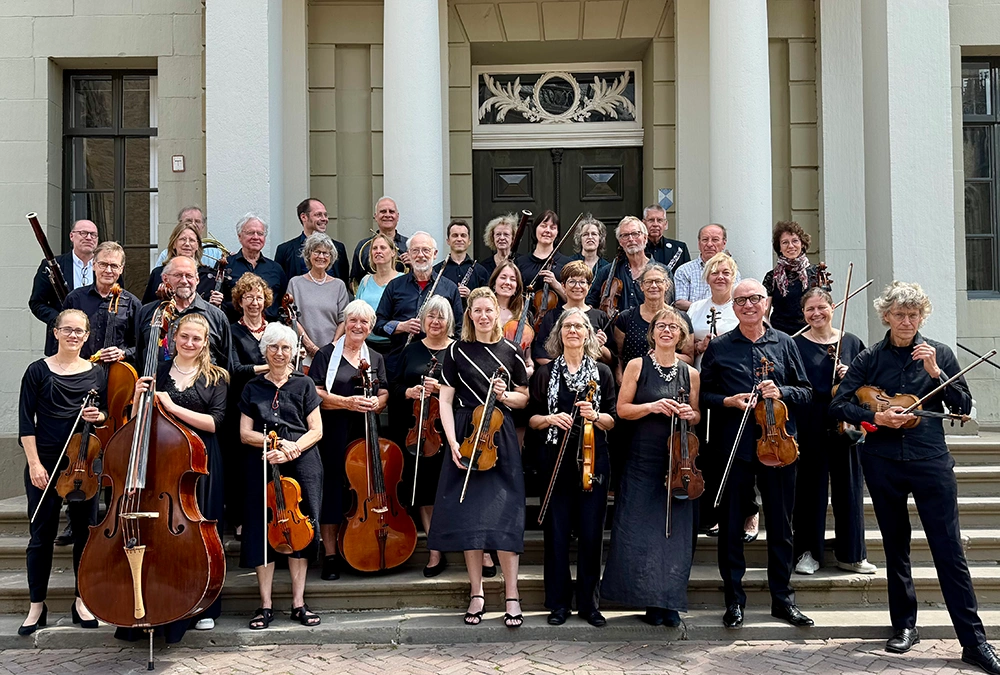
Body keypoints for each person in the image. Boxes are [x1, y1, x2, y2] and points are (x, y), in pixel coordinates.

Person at [831, 282, 1000, 673]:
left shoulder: (940, 354)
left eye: (913, 315)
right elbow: (838, 405)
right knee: (896, 547)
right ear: (886, 316)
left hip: (931, 462)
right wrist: (876, 416)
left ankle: (973, 642)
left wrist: (936, 373)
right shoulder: (869, 358)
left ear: (922, 316)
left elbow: (962, 407)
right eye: (899, 315)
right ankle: (905, 626)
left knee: (949, 551)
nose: (906, 322)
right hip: (883, 462)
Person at [700, 278, 814, 630]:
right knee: (731, 526)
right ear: (733, 308)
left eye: (755, 299)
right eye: (741, 300)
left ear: (766, 303)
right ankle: (734, 600)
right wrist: (729, 401)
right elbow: (703, 396)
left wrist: (781, 392)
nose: (748, 305)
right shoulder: (719, 347)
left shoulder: (785, 343)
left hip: (778, 447)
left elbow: (806, 391)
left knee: (780, 525)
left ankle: (783, 599)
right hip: (734, 448)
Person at [117, 313, 229, 641]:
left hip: (199, 463)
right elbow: (137, 422)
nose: (190, 343)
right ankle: (159, 603)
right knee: (162, 537)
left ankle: (204, 605)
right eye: (184, 337)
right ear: (173, 338)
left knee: (201, 535)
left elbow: (216, 422)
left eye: (196, 338)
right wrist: (138, 397)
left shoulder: (216, 376)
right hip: (162, 463)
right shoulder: (157, 373)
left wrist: (171, 405)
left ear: (205, 343)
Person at [429, 288, 530, 627]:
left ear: (496, 313)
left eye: (489, 310)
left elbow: (524, 397)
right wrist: (452, 441)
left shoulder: (511, 351)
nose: (484, 316)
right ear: (469, 314)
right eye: (478, 310)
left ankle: (512, 594)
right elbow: (445, 400)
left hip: (499, 437)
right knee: (469, 519)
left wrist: (507, 395)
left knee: (505, 517)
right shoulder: (456, 350)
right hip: (466, 433)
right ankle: (477, 592)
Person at [602, 306, 699, 627]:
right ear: (652, 332)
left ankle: (669, 601)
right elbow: (622, 410)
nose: (667, 330)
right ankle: (647, 599)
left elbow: (697, 414)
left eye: (673, 327)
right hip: (643, 457)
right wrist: (653, 406)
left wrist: (690, 414)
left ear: (681, 335)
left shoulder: (691, 373)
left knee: (674, 532)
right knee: (640, 528)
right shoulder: (637, 365)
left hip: (679, 460)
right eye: (661, 326)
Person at [18, 308, 106, 635]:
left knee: (84, 534)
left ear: (87, 336)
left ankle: (81, 601)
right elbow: (26, 423)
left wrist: (99, 416)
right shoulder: (37, 371)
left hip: (84, 465)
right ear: (55, 332)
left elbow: (106, 414)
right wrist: (34, 464)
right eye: (66, 329)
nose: (73, 335)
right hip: (45, 462)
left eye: (79, 331)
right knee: (41, 536)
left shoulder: (97, 373)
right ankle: (36, 606)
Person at [528, 308, 617, 627]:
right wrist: (550, 419)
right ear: (559, 333)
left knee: (592, 535)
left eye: (579, 326)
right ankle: (558, 603)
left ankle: (589, 605)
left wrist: (595, 416)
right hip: (555, 460)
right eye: (567, 326)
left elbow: (612, 419)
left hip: (593, 461)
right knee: (556, 534)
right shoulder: (544, 373)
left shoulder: (602, 373)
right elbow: (532, 418)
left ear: (588, 334)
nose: (573, 331)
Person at [239, 322, 324, 630]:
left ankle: (299, 603)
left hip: (302, 461)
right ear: (265, 350)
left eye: (285, 347)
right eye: (273, 347)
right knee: (262, 530)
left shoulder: (304, 384)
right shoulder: (252, 387)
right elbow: (244, 433)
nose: (279, 353)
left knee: (300, 529)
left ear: (293, 351)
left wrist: (291, 449)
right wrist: (272, 444)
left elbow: (316, 430)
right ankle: (265, 605)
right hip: (261, 461)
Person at [792, 288, 872, 576]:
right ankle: (807, 553)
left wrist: (852, 377)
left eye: (821, 307)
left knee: (849, 488)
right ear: (803, 313)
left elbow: (869, 384)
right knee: (809, 491)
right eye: (810, 309)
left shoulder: (851, 342)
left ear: (833, 307)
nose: (816, 314)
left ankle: (852, 554)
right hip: (810, 423)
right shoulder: (795, 344)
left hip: (846, 423)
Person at [308, 299, 389, 581]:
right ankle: (331, 555)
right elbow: (315, 392)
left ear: (371, 327)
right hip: (333, 431)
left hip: (365, 431)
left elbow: (384, 391)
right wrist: (346, 402)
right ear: (345, 323)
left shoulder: (375, 357)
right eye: (352, 320)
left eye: (364, 322)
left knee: (365, 487)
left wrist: (378, 403)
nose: (357, 326)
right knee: (332, 491)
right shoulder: (326, 354)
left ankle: (361, 544)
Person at [686, 251, 752, 541]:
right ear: (707, 277)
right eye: (715, 272)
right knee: (706, 452)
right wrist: (699, 347)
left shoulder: (741, 307)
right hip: (702, 387)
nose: (720, 277)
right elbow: (685, 348)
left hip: (733, 387)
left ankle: (748, 511)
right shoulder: (696, 309)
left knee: (736, 453)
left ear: (733, 276)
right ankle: (712, 513)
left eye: (726, 272)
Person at [389, 296, 456, 577]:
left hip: (450, 431)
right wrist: (409, 392)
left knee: (450, 489)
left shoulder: (457, 350)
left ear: (449, 321)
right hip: (419, 432)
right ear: (423, 320)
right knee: (424, 489)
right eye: (431, 316)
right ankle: (434, 549)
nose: (436, 322)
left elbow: (468, 390)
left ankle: (465, 544)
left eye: (441, 317)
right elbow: (393, 385)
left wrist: (441, 389)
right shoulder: (411, 350)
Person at [374, 231, 463, 377]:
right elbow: (378, 325)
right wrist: (400, 326)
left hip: (439, 364)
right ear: (408, 254)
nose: (421, 255)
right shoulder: (395, 286)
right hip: (400, 363)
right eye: (415, 250)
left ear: (435, 254)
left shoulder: (449, 288)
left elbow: (459, 329)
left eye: (426, 250)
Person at [225, 273, 272, 541]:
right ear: (239, 301)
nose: (254, 302)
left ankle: (269, 515)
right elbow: (235, 369)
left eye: (259, 297)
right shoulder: (232, 331)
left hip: (269, 405)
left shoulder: (274, 329)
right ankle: (241, 519)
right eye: (248, 297)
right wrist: (270, 366)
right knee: (241, 465)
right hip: (242, 405)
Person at [135, 256, 232, 370]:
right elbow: (139, 359)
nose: (184, 281)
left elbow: (226, 366)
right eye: (178, 275)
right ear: (165, 279)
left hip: (203, 381)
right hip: (155, 380)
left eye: (189, 276)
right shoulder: (147, 312)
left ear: (197, 279)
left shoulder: (217, 316)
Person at [29, 219, 98, 356]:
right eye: (83, 233)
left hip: (96, 344)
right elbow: (37, 303)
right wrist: (62, 320)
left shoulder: (107, 269)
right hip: (61, 344)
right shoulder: (50, 265)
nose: (89, 237)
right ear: (72, 236)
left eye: (93, 234)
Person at [63, 241, 141, 363]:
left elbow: (142, 344)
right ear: (93, 265)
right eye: (103, 264)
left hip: (118, 372)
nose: (108, 270)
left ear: (121, 269)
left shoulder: (132, 303)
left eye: (114, 266)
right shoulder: (75, 298)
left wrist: (124, 353)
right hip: (80, 369)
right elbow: (62, 337)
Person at [613, 263, 693, 382]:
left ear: (666, 285)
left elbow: (689, 358)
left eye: (658, 281)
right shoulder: (626, 317)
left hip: (671, 382)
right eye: (648, 282)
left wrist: (666, 355)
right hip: (634, 381)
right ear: (641, 286)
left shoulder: (681, 318)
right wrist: (621, 379)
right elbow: (618, 356)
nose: (654, 285)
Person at [286, 233, 350, 368]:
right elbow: (292, 319)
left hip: (333, 352)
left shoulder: (339, 285)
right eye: (317, 252)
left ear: (331, 257)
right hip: (304, 352)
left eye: (326, 253)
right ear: (308, 255)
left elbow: (343, 320)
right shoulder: (295, 283)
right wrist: (311, 347)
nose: (321, 256)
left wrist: (332, 347)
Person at [532, 261, 612, 367]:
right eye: (572, 281)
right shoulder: (551, 316)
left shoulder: (600, 317)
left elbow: (612, 359)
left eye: (582, 282)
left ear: (589, 286)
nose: (577, 286)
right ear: (563, 286)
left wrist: (599, 346)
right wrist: (567, 369)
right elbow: (540, 355)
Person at [223, 213, 288, 321]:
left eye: (260, 233)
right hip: (235, 327)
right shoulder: (226, 265)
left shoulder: (276, 268)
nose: (256, 237)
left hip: (270, 328)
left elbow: (283, 302)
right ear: (239, 236)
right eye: (250, 233)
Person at [274, 198, 350, 286]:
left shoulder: (339, 248)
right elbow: (280, 285)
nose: (324, 219)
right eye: (318, 215)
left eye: (325, 215)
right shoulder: (284, 250)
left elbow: (344, 282)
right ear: (303, 217)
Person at [586, 216, 652, 316]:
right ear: (620, 242)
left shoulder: (661, 271)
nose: (631, 239)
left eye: (635, 234)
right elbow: (591, 302)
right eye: (625, 235)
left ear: (645, 238)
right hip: (615, 325)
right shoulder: (606, 271)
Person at [763, 221, 820, 335]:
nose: (790, 246)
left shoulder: (816, 273)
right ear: (779, 248)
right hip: (780, 336)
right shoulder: (772, 277)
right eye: (785, 242)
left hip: (810, 334)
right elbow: (764, 314)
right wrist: (772, 336)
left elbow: (824, 309)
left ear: (802, 244)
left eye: (795, 241)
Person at [142, 221, 219, 305]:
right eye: (183, 239)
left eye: (192, 240)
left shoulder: (209, 277)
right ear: (174, 244)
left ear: (197, 246)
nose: (187, 244)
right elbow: (146, 307)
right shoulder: (158, 274)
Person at [673, 224, 740, 312]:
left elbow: (737, 299)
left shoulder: (732, 271)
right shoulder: (684, 271)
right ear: (699, 243)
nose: (709, 244)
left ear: (724, 243)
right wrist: (707, 309)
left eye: (715, 240)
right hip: (693, 319)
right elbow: (679, 302)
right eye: (705, 240)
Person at [355, 232, 404, 353]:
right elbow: (356, 312)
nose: (378, 251)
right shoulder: (365, 281)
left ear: (393, 252)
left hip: (394, 345)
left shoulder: (403, 280)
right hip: (367, 344)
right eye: (374, 248)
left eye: (383, 248)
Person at [350, 196, 410, 286]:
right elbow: (354, 280)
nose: (387, 215)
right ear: (376, 216)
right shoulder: (363, 246)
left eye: (391, 211)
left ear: (397, 216)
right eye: (383, 211)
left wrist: (414, 264)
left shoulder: (409, 245)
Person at [515, 210, 571, 304]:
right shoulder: (520, 263)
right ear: (535, 229)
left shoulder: (567, 264)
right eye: (543, 226)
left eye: (552, 227)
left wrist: (556, 285)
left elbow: (575, 301)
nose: (547, 230)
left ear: (557, 233)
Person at [433, 219, 489, 302]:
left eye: (463, 235)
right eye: (455, 235)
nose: (459, 239)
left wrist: (471, 296)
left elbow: (488, 300)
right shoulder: (436, 271)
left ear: (469, 241)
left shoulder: (480, 271)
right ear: (448, 241)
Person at [154, 206, 224, 268]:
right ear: (179, 224)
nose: (193, 224)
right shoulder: (165, 255)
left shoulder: (215, 254)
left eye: (197, 221)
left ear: (203, 227)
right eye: (189, 221)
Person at [642, 204, 690, 276]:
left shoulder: (679, 249)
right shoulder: (637, 248)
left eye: (659, 220)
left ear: (665, 224)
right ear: (643, 224)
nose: (655, 224)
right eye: (651, 220)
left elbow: (687, 275)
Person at [570, 215, 610, 281]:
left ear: (600, 239)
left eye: (594, 234)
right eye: (585, 234)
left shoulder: (606, 267)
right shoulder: (570, 263)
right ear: (580, 239)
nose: (590, 237)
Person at [480, 213, 517, 278]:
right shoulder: (483, 266)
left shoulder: (521, 263)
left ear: (513, 238)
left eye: (506, 234)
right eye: (498, 234)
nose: (502, 238)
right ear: (492, 237)